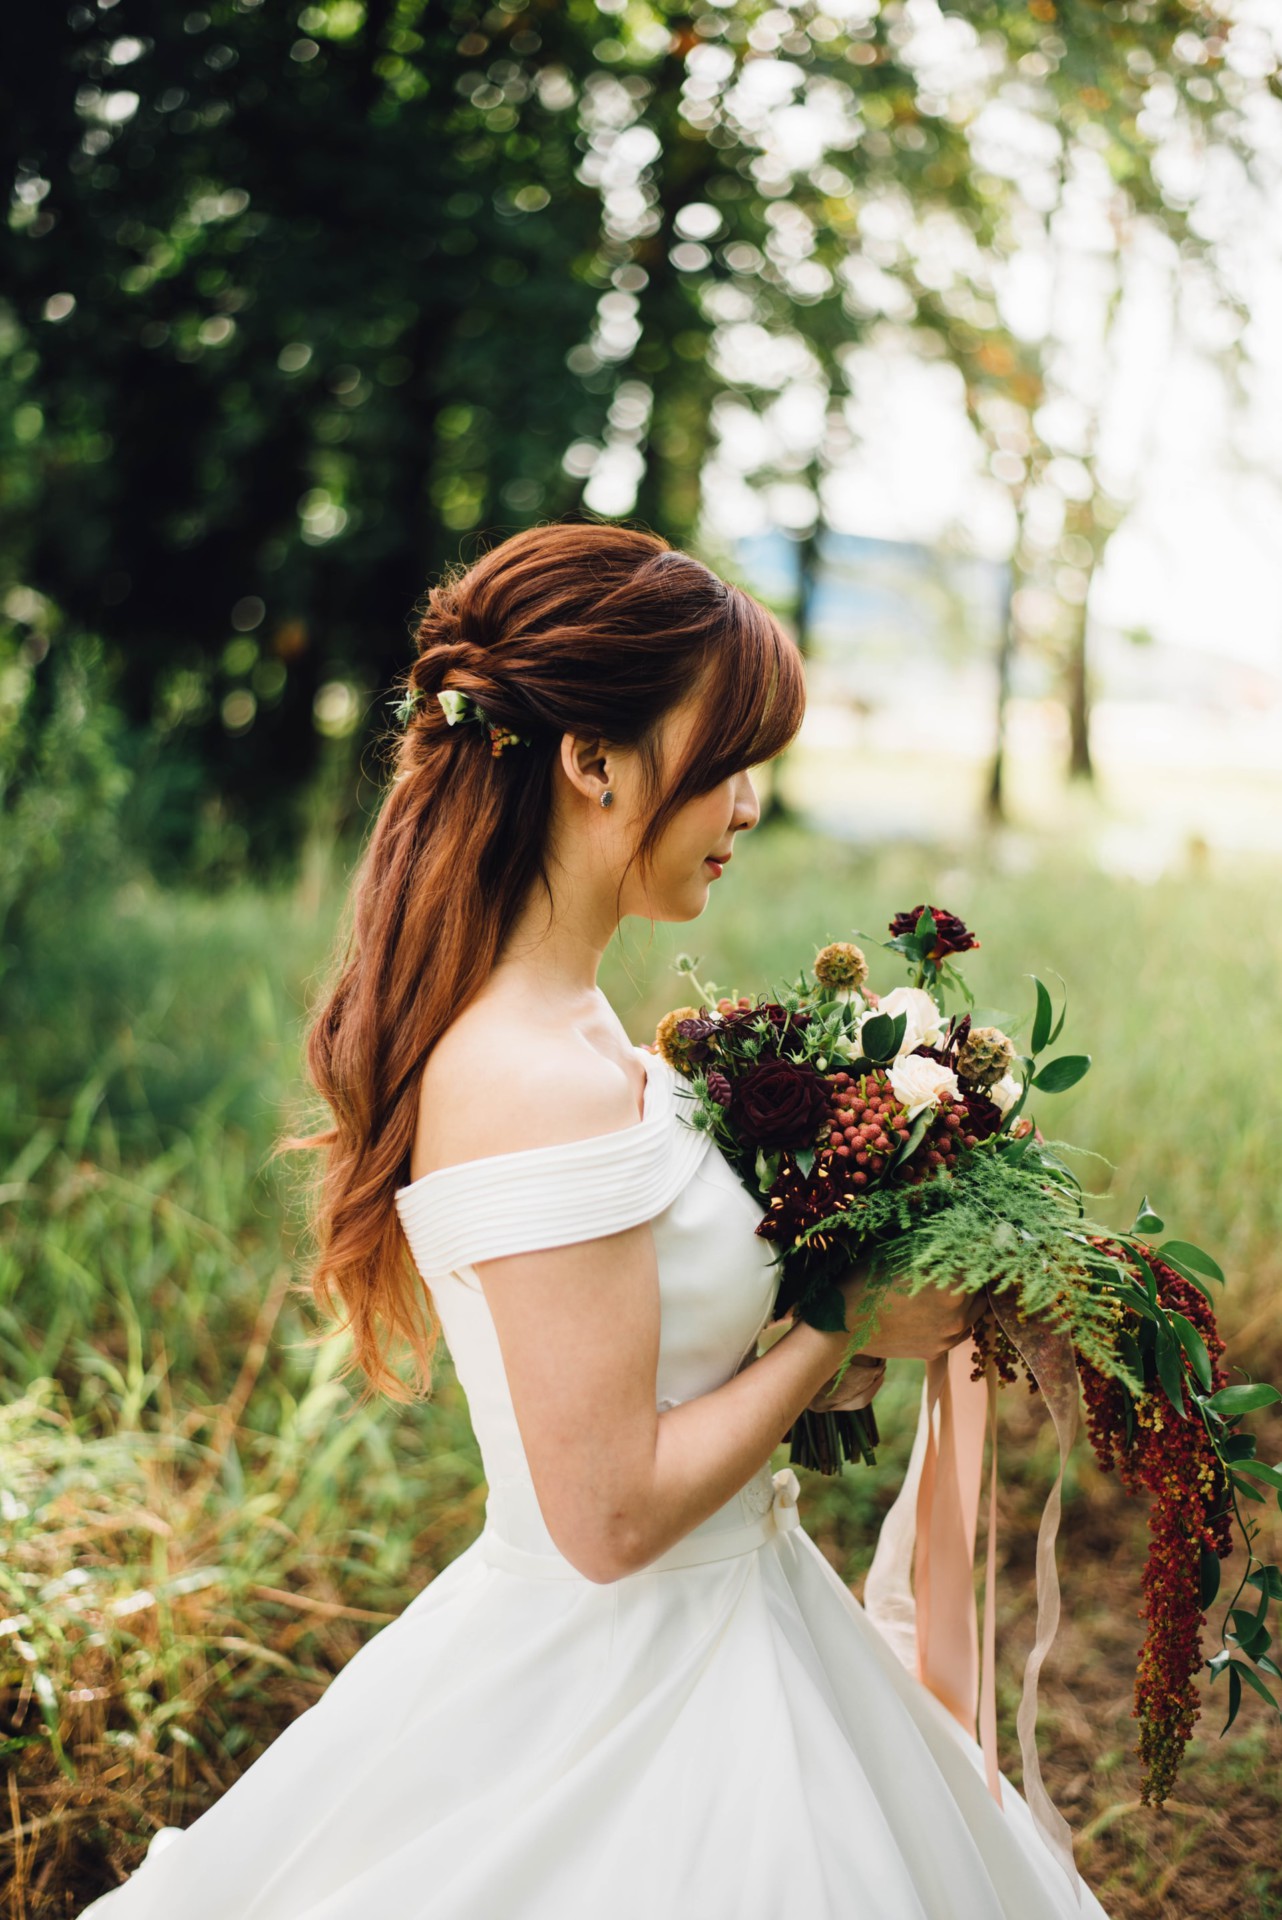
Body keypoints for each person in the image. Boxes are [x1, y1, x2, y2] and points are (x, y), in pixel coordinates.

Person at [79, 522, 1109, 1918]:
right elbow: (610, 1518)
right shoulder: (524, 1074)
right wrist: (839, 1319)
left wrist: (851, 1304)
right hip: (631, 1676)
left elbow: (656, 1356)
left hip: (742, 1607)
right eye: (727, 760)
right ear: (592, 759)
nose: (746, 806)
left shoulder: (582, 1024)